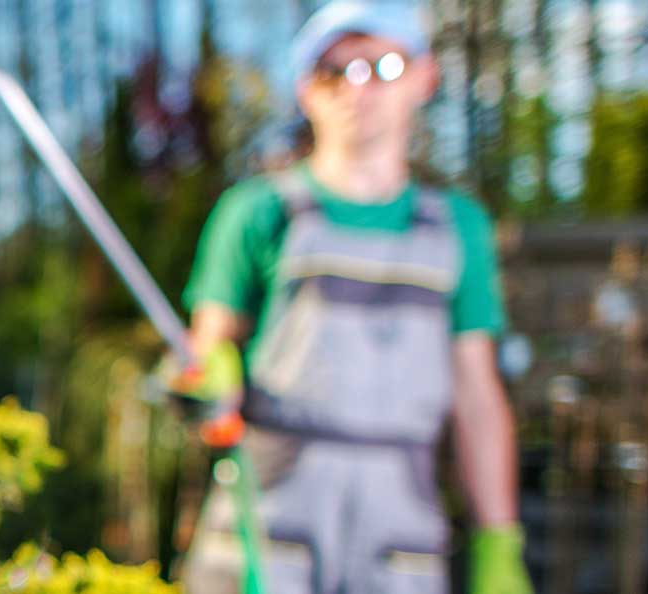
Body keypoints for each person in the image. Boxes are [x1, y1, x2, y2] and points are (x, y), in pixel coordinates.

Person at [166, 2, 532, 593]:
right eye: (333, 71)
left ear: (423, 77)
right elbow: (211, 346)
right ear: (306, 90)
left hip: (399, 537)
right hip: (265, 524)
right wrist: (208, 377)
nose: (356, 88)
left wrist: (498, 539)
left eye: (379, 65)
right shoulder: (257, 212)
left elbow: (477, 394)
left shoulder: (459, 228)